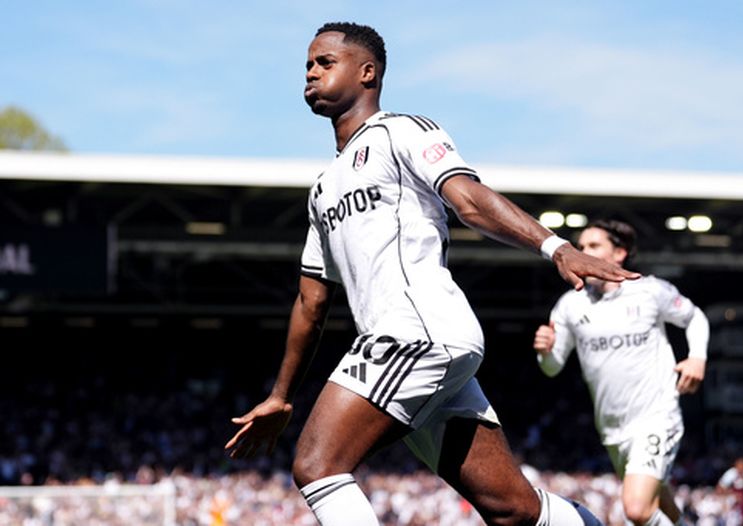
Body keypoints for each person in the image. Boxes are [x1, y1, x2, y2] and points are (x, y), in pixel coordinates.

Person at [225, 22, 638, 526]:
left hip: (415, 332)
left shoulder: (402, 132)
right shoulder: (323, 190)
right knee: (513, 510)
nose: (310, 72)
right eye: (308, 65)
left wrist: (555, 247)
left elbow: (468, 200)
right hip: (421, 346)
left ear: (367, 72)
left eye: (325, 62)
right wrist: (280, 396)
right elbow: (312, 300)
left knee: (318, 465)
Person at [533, 219, 709, 526]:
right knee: (659, 502)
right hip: (612, 429)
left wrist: (697, 358)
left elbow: (695, 318)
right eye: (581, 246)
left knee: (637, 509)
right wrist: (544, 351)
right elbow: (552, 367)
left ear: (619, 254)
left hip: (656, 415)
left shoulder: (650, 291)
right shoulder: (569, 306)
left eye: (594, 246)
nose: (583, 252)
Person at [717, 456, 743, 525]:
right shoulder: (731, 474)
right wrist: (734, 494)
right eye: (741, 465)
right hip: (731, 500)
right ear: (736, 465)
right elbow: (719, 489)